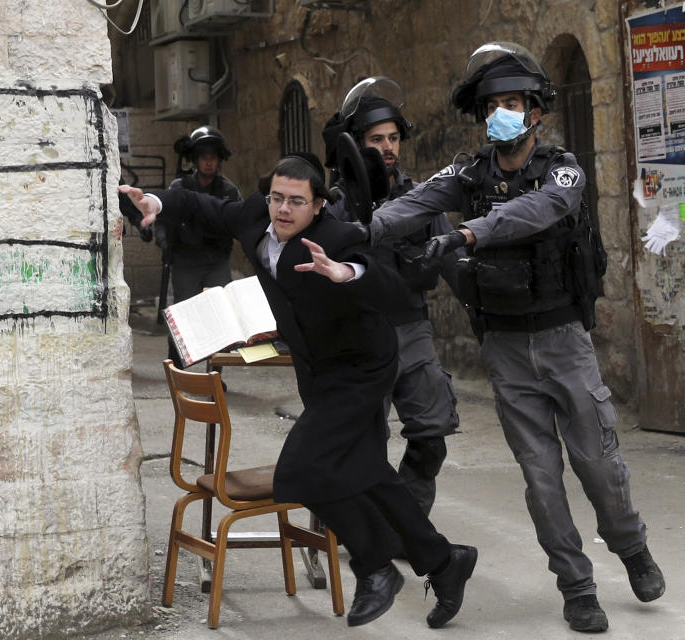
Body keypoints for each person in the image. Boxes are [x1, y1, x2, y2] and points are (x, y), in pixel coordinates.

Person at [370, 41, 665, 633]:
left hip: (563, 342)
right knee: (540, 478)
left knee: (599, 466)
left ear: (534, 112)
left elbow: (539, 210)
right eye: (493, 105)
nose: (502, 113)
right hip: (505, 349)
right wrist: (350, 228)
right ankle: (576, 586)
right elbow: (412, 204)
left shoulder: (562, 167)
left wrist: (468, 235)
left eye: (513, 102)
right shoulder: (467, 173)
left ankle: (630, 546)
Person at [120, 153, 477, 629]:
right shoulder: (254, 216)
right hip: (317, 370)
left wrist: (346, 274)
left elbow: (394, 290)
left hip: (363, 367)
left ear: (317, 206)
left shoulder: (338, 236)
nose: (283, 210)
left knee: (301, 473)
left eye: (296, 202)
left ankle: (375, 568)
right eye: (277, 198)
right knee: (367, 470)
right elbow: (200, 204)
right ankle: (445, 561)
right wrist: (157, 202)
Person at [324, 76, 461, 518]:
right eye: (375, 139)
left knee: (432, 433)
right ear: (356, 144)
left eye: (393, 138)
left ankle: (407, 521)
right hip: (360, 334)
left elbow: (448, 259)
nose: (387, 147)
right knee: (365, 442)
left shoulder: (421, 198)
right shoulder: (337, 205)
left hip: (412, 328)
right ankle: (373, 526)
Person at [157, 125, 241, 367]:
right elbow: (163, 220)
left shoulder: (228, 190)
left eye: (212, 157)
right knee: (183, 317)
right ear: (195, 160)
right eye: (203, 157)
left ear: (219, 160)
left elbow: (239, 219)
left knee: (221, 318)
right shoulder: (179, 188)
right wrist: (164, 244)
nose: (208, 163)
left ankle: (215, 373)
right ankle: (178, 370)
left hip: (216, 259)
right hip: (186, 260)